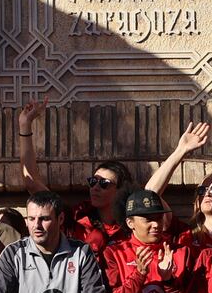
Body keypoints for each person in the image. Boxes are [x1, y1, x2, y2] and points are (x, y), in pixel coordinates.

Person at [18, 98, 131, 255]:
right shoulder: (77, 219)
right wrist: (25, 124)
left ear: (120, 190)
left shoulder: (134, 224)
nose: (95, 187)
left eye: (104, 183)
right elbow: (32, 184)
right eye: (92, 182)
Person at [103, 189, 195, 293]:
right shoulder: (114, 254)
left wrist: (169, 281)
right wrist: (139, 275)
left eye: (159, 218)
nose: (156, 225)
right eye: (148, 219)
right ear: (130, 222)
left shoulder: (181, 252)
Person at [144, 122, 212, 248]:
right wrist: (181, 150)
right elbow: (150, 194)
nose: (207, 193)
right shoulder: (184, 233)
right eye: (201, 190)